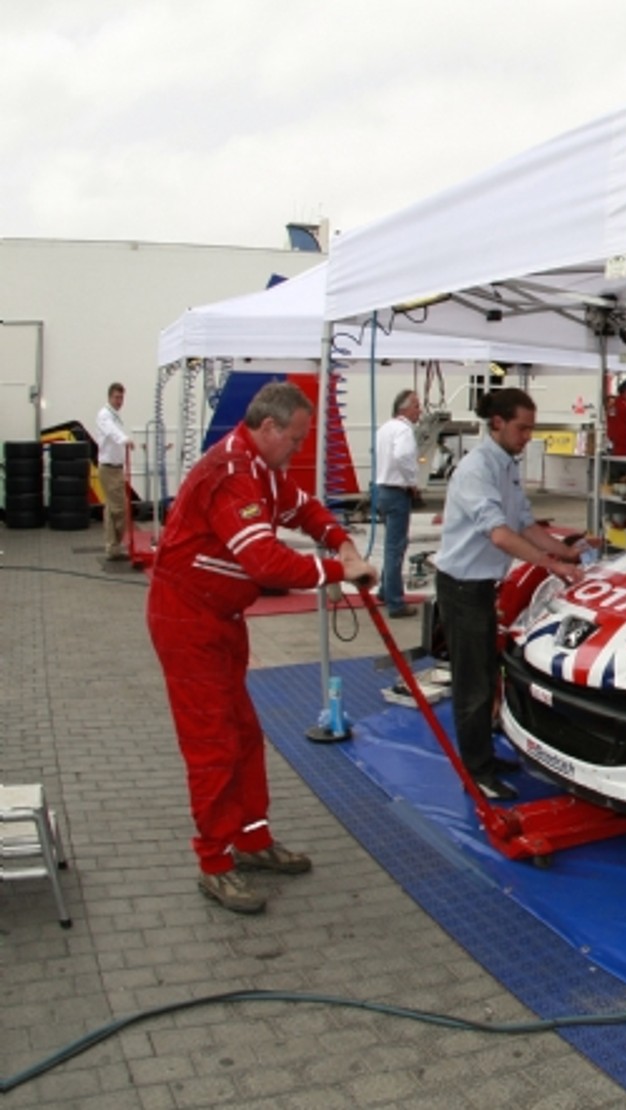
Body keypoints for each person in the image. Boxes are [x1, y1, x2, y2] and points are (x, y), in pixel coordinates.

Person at [147, 381, 378, 914]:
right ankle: (214, 863)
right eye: (295, 440)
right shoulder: (232, 473)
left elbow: (304, 509)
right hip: (187, 618)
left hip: (221, 616)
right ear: (269, 428)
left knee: (245, 735)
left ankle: (252, 840)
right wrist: (337, 570)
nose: (297, 451)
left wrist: (339, 540)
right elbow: (266, 563)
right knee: (212, 744)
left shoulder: (263, 471)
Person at [436, 388, 585, 802]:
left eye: (531, 429)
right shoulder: (476, 470)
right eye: (522, 428)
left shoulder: (507, 466)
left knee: (487, 673)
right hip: (462, 587)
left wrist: (567, 550)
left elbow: (523, 523)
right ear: (497, 422)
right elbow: (500, 534)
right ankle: (476, 772)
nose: (527, 437)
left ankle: (481, 755)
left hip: (482, 587)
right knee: (473, 685)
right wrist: (551, 564)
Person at [372, 389, 422, 618]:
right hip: (396, 491)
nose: (419, 411)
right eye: (416, 406)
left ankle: (385, 590)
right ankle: (395, 602)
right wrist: (412, 482)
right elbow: (402, 456)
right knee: (396, 548)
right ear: (405, 408)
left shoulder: (384, 428)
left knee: (392, 545)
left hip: (381, 489)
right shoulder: (404, 431)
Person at [96, 381, 131, 560]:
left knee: (112, 508)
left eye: (121, 397)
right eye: (117, 397)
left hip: (116, 468)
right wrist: (125, 440)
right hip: (109, 469)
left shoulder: (114, 416)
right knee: (119, 508)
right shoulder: (105, 415)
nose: (119, 401)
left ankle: (113, 547)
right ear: (109, 397)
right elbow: (112, 432)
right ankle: (114, 544)